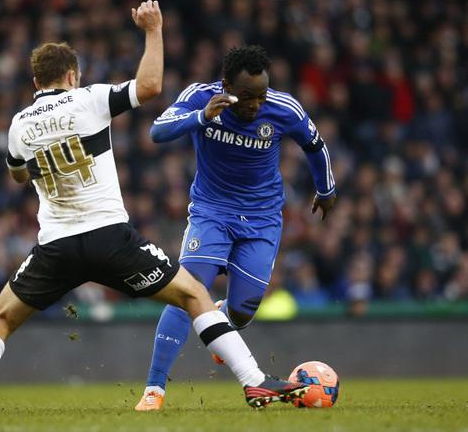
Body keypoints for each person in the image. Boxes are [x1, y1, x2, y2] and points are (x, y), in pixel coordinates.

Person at [0, 2, 307, 416]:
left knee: (0, 319)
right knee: (195, 295)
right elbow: (150, 86)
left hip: (56, 248)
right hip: (110, 240)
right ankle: (254, 382)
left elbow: (17, 175)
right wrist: (153, 29)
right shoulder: (89, 99)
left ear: (35, 80)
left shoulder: (18, 126)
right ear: (72, 75)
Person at [134, 45, 336, 411]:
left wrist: (326, 189)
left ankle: (224, 319)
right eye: (246, 96)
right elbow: (157, 131)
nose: (255, 105)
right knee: (186, 292)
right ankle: (154, 389)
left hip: (262, 219)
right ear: (226, 85)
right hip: (212, 212)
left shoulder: (283, 107)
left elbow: (315, 144)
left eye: (260, 96)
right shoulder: (200, 97)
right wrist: (200, 117)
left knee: (244, 310)